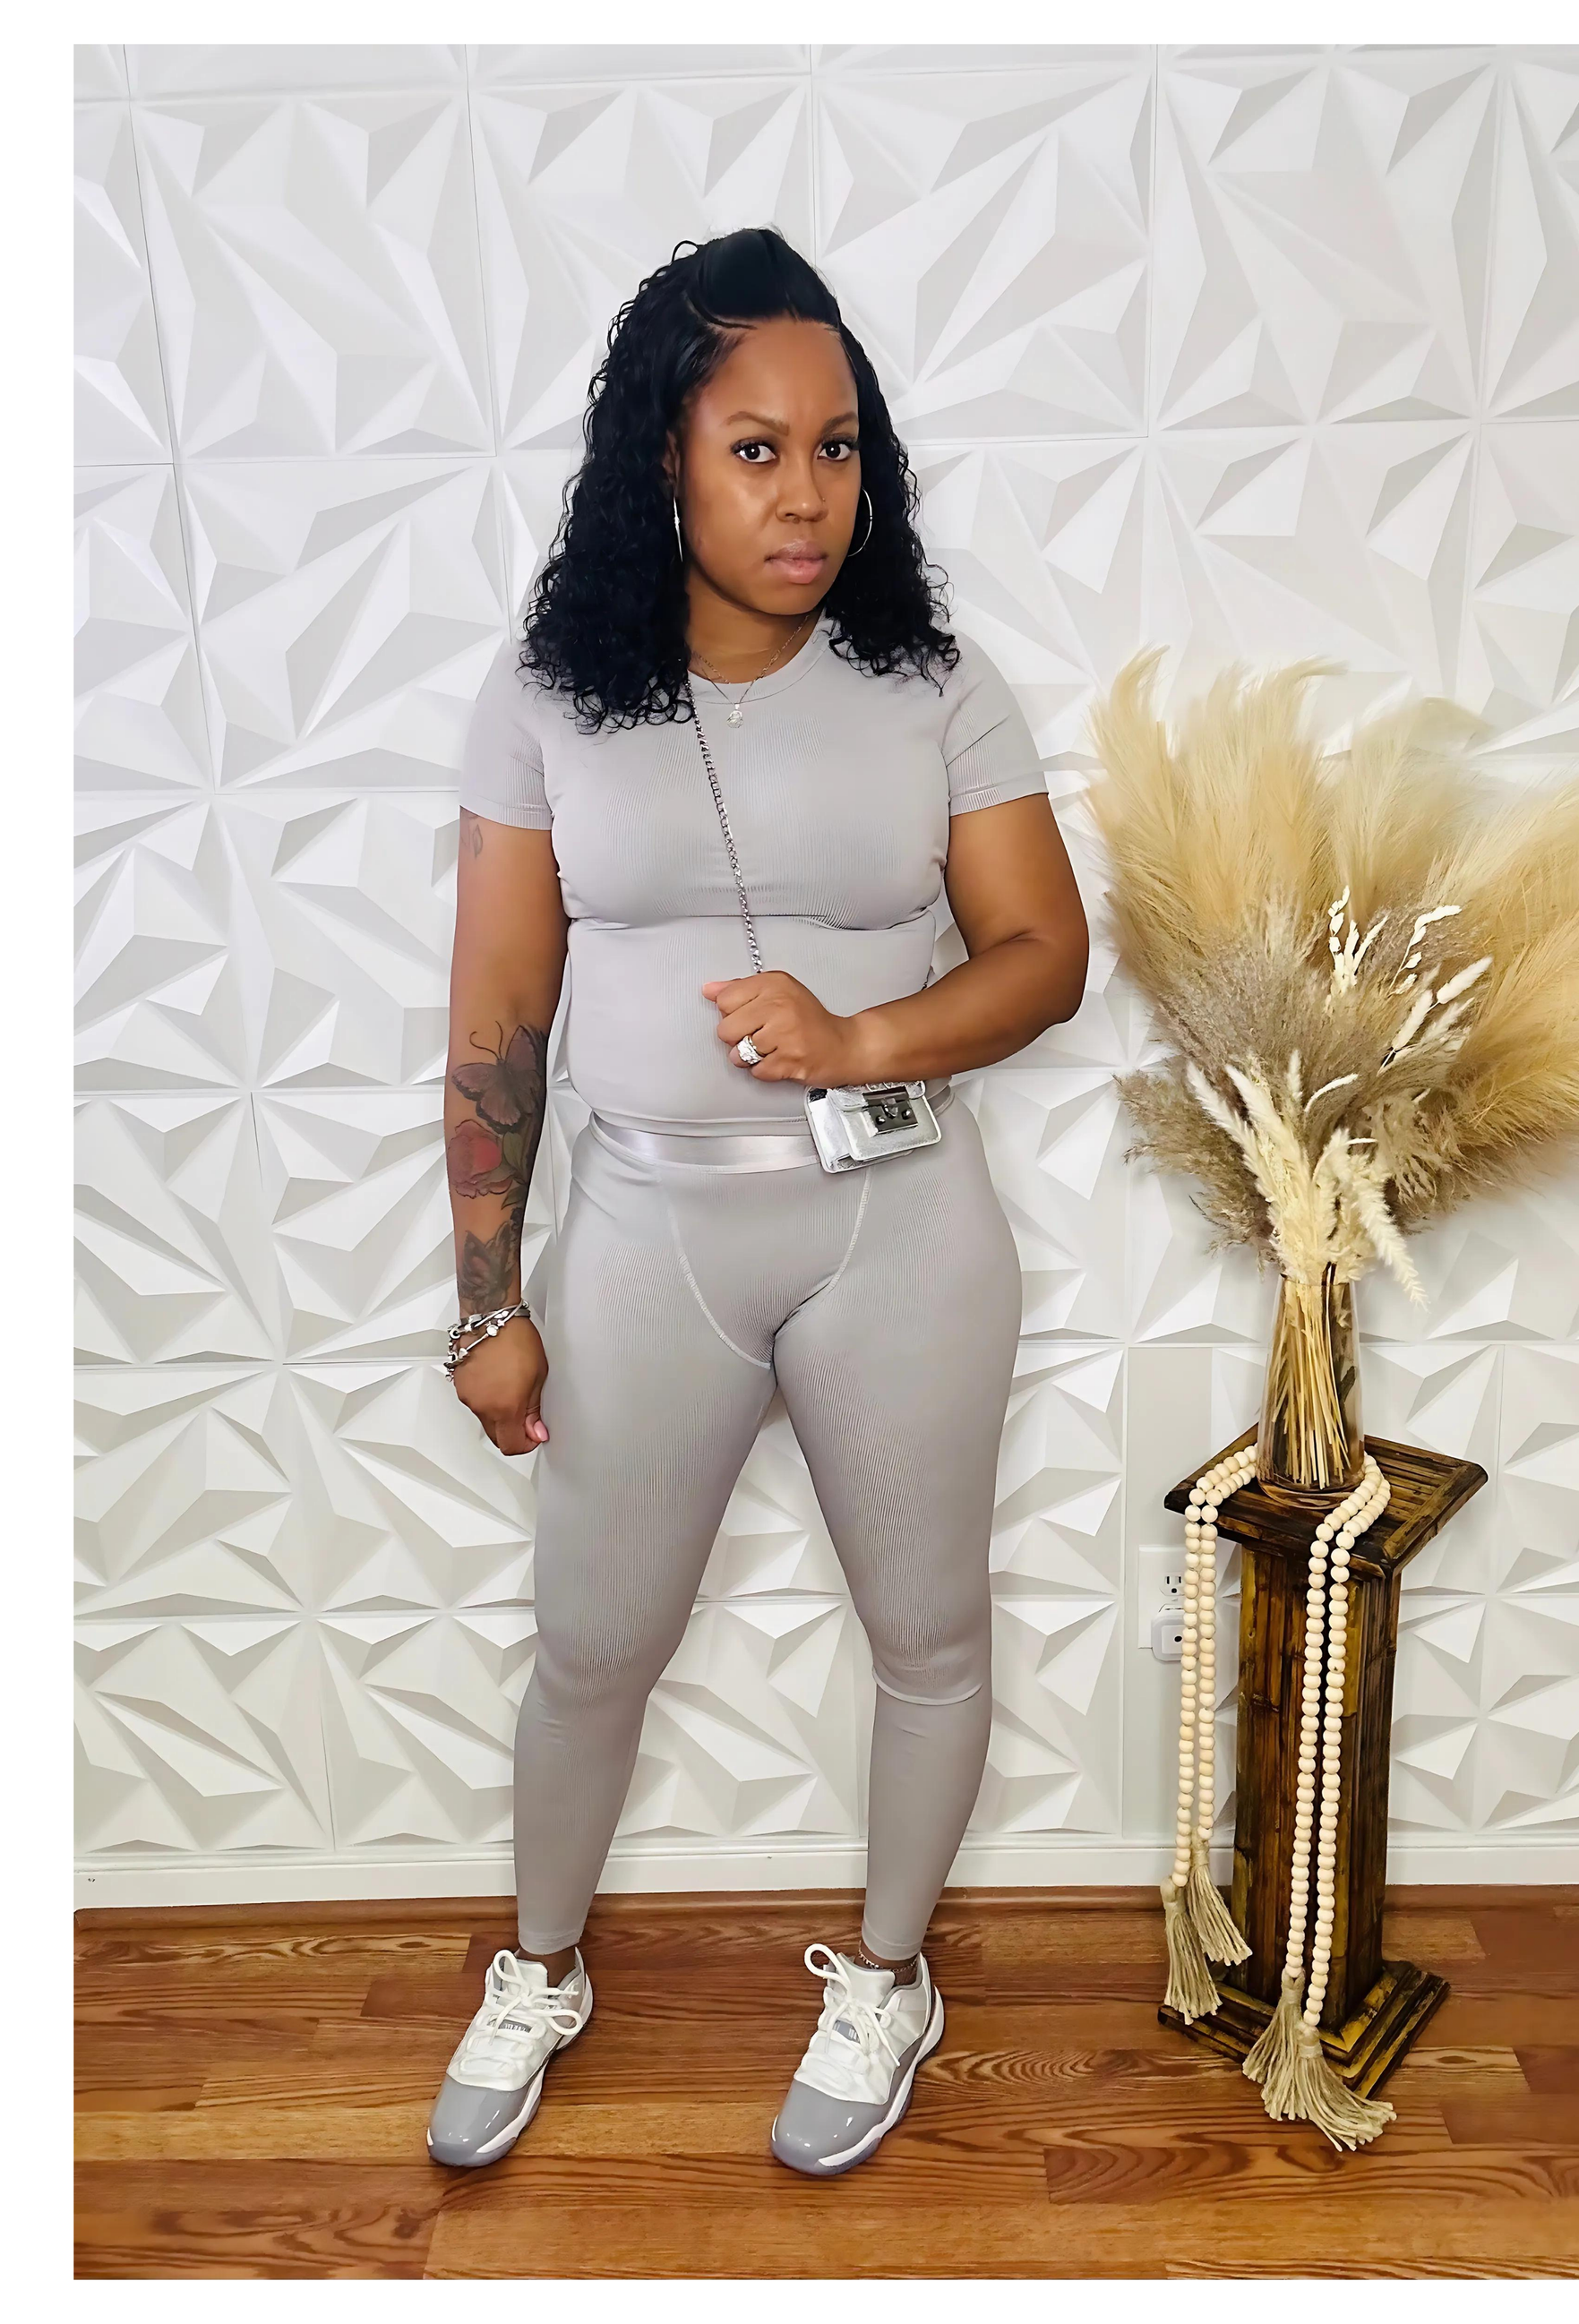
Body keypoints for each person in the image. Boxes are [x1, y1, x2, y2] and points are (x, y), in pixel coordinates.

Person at [428, 227, 1088, 2177]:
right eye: (756, 449)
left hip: (900, 1229)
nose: (807, 495)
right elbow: (496, 1012)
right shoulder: (547, 691)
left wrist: (860, 1032)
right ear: (665, 458)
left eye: (838, 447)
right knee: (589, 1644)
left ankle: (886, 1974)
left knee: (929, 1634)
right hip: (648, 1235)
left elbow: (1044, 956)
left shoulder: (930, 680)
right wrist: (486, 1299)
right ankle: (541, 1963)